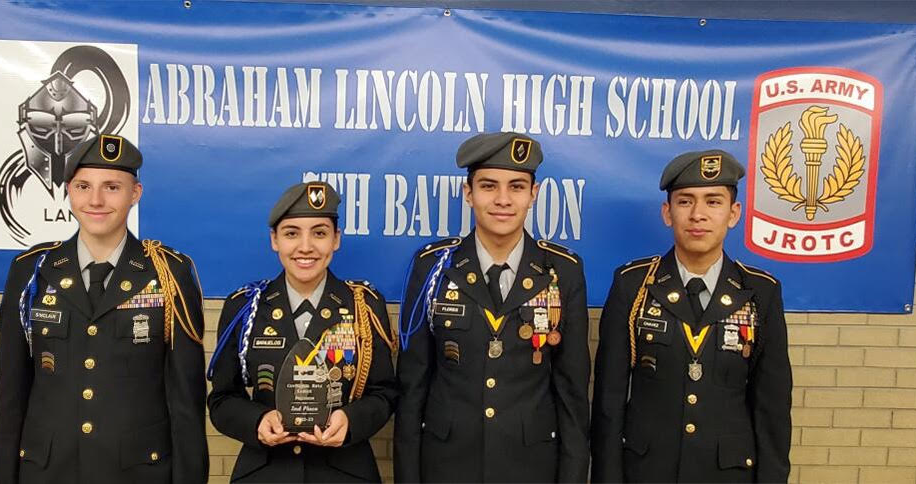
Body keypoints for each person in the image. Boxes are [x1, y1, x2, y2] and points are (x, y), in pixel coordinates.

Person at [0, 134, 209, 483]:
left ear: (134, 194)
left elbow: (187, 401)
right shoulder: (32, 271)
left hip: (139, 473)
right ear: (68, 191)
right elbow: (10, 396)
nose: (95, 200)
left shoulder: (169, 273)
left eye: (111, 187)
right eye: (83, 186)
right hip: (48, 471)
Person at [395, 133, 590, 483]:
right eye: (488, 186)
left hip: (531, 467)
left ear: (534, 194)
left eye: (516, 187)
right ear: (468, 193)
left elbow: (572, 393)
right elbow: (412, 390)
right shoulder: (433, 267)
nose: (502, 200)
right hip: (446, 466)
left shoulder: (562, 270)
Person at [590, 149, 792, 483]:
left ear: (733, 213)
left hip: (727, 474)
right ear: (667, 213)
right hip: (647, 471)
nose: (698, 215)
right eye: (685, 202)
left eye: (713, 202)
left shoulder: (760, 292)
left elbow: (772, 409)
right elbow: (609, 401)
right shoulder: (633, 285)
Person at [207, 181, 397, 483]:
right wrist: (257, 421)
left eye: (319, 233)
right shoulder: (245, 307)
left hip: (345, 472)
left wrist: (350, 421)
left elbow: (385, 393)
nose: (305, 247)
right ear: (274, 240)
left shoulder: (364, 305)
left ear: (336, 239)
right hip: (266, 472)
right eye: (291, 233)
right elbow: (222, 399)